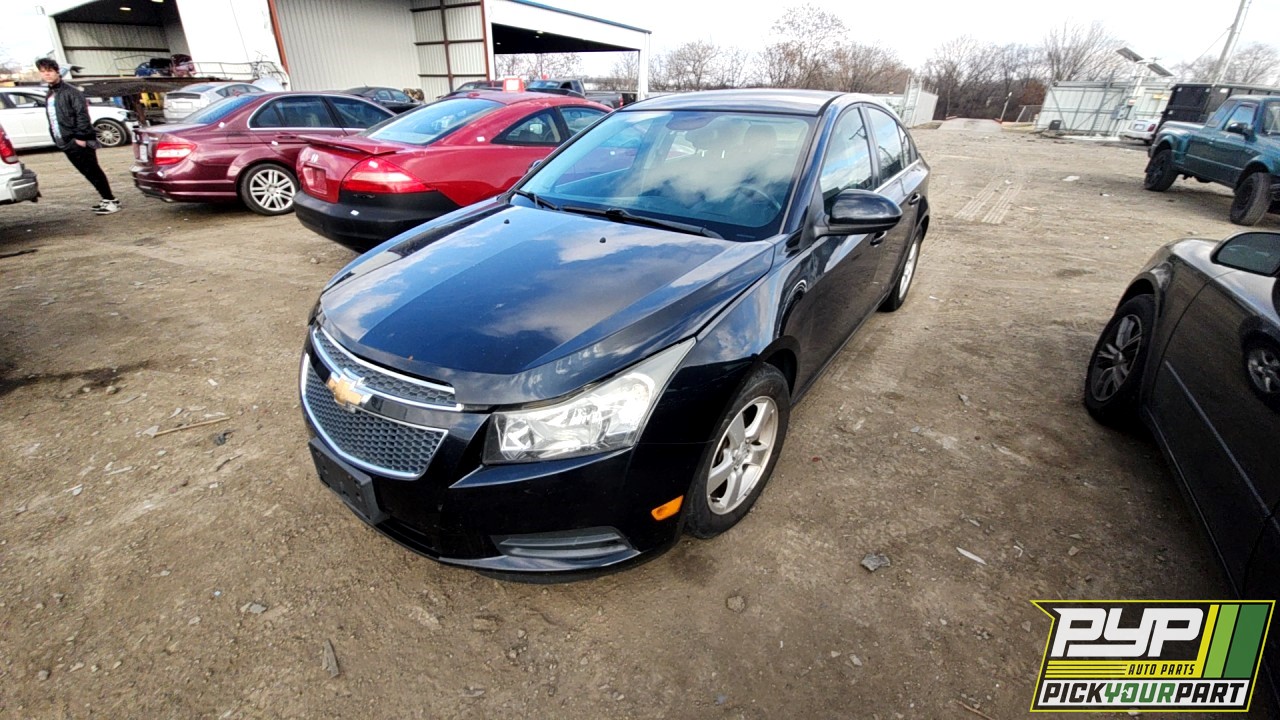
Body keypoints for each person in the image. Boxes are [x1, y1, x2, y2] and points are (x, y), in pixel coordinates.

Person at [35, 58, 121, 215]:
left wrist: (81, 137)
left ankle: (110, 200)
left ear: (57, 72)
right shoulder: (51, 93)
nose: (46, 74)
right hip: (65, 139)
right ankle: (107, 199)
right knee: (87, 171)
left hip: (77, 140)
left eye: (49, 71)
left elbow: (82, 115)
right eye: (42, 71)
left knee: (92, 170)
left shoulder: (71, 92)